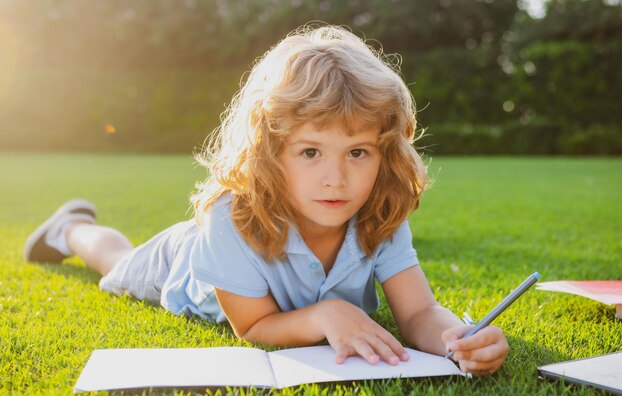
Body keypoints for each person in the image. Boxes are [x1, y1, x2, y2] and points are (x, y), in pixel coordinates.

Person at [23, 25, 509, 374]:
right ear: (270, 151)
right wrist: (325, 315)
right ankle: (70, 227)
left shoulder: (378, 210)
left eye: (358, 152)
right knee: (117, 263)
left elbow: (419, 313)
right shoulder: (227, 218)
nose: (335, 179)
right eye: (311, 152)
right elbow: (254, 326)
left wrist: (456, 340)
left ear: (385, 154)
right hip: (184, 265)